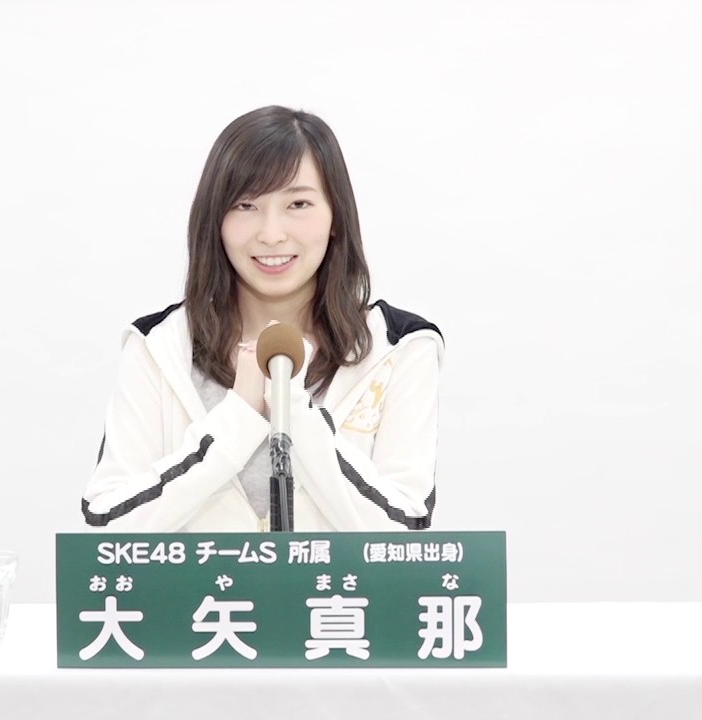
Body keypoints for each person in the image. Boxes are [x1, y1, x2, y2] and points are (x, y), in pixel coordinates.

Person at [81, 105, 443, 532]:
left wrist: (294, 410)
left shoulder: (399, 348)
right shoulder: (159, 346)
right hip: (207, 582)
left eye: (298, 203)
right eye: (246, 204)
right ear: (215, 220)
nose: (271, 234)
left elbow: (404, 529)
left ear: (336, 216)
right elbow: (107, 530)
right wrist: (237, 417)